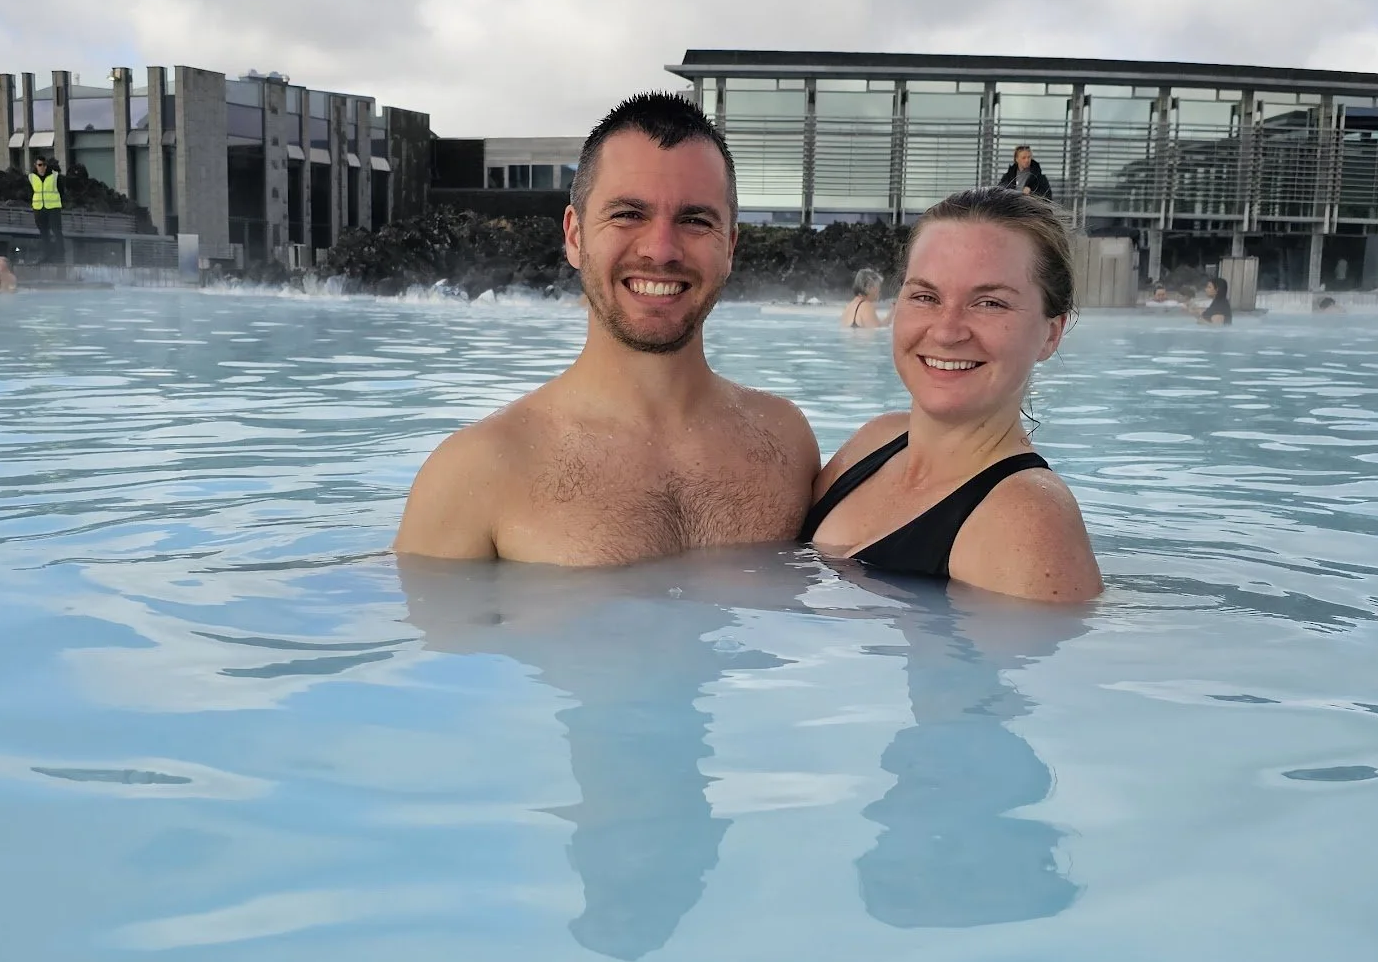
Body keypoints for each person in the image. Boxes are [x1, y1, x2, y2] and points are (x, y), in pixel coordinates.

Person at [394, 92, 819, 564]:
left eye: (695, 220)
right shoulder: (475, 474)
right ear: (575, 235)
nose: (661, 250)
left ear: (731, 246)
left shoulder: (786, 443)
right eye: (628, 214)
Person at [801, 188, 1102, 603]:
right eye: (926, 296)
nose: (946, 331)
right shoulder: (875, 441)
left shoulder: (1027, 520)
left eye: (990, 303)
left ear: (1050, 334)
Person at [27, 153, 64, 264]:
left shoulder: (55, 176)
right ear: (35, 165)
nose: (42, 167)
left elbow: (62, 191)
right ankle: (46, 255)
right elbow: (30, 192)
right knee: (44, 233)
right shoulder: (31, 177)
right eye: (40, 165)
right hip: (39, 208)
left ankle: (60, 256)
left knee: (57, 232)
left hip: (53, 208)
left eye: (44, 165)